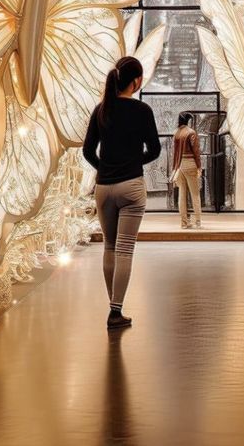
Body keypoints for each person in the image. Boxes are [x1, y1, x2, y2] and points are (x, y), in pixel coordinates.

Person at [83, 56, 161, 330]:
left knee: (109, 246)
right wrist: (132, 162)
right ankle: (116, 311)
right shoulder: (142, 110)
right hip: (131, 187)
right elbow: (154, 150)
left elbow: (87, 151)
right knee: (125, 250)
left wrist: (105, 167)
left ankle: (113, 306)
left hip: (103, 188)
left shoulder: (101, 109)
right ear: (137, 81)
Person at [171, 111, 202, 229]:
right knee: (195, 194)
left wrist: (175, 168)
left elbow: (174, 154)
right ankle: (198, 222)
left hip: (179, 166)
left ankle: (184, 223)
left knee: (182, 195)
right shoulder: (191, 132)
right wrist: (199, 166)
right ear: (188, 120)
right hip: (190, 164)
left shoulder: (176, 133)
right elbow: (196, 152)